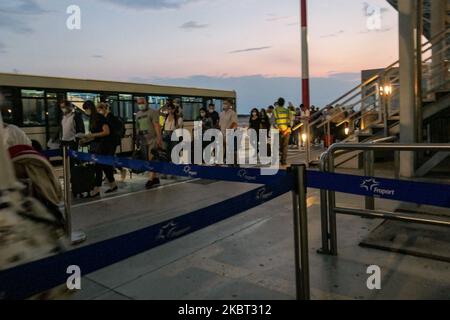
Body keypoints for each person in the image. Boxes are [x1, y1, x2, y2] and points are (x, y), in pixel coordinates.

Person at [82, 100, 117, 197]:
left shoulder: (99, 117)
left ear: (90, 108)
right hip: (99, 145)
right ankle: (113, 185)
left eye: (86, 109)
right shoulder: (92, 118)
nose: (85, 111)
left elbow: (106, 132)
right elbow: (96, 134)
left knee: (98, 167)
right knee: (105, 166)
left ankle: (96, 189)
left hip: (104, 146)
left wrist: (92, 135)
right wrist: (86, 139)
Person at [134, 101, 163, 189]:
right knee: (147, 159)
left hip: (152, 140)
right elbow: (137, 127)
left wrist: (159, 138)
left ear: (146, 103)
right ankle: (155, 178)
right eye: (139, 103)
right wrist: (137, 139)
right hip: (143, 140)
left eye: (142, 102)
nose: (141, 104)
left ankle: (150, 179)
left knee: (152, 158)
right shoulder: (138, 114)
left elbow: (156, 126)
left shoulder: (153, 112)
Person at [219, 99, 238, 164]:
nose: (224, 105)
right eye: (223, 103)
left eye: (226, 103)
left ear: (230, 105)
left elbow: (234, 124)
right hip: (222, 134)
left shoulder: (233, 113)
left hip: (230, 135)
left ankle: (234, 166)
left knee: (231, 152)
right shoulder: (221, 113)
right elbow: (220, 125)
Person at [273, 97, 291, 166]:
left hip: (279, 131)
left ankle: (280, 158)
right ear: (284, 103)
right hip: (287, 131)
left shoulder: (275, 111)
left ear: (278, 102)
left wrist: (278, 128)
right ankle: (283, 161)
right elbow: (290, 121)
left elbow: (272, 122)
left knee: (279, 146)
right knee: (285, 146)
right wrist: (286, 129)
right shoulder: (287, 110)